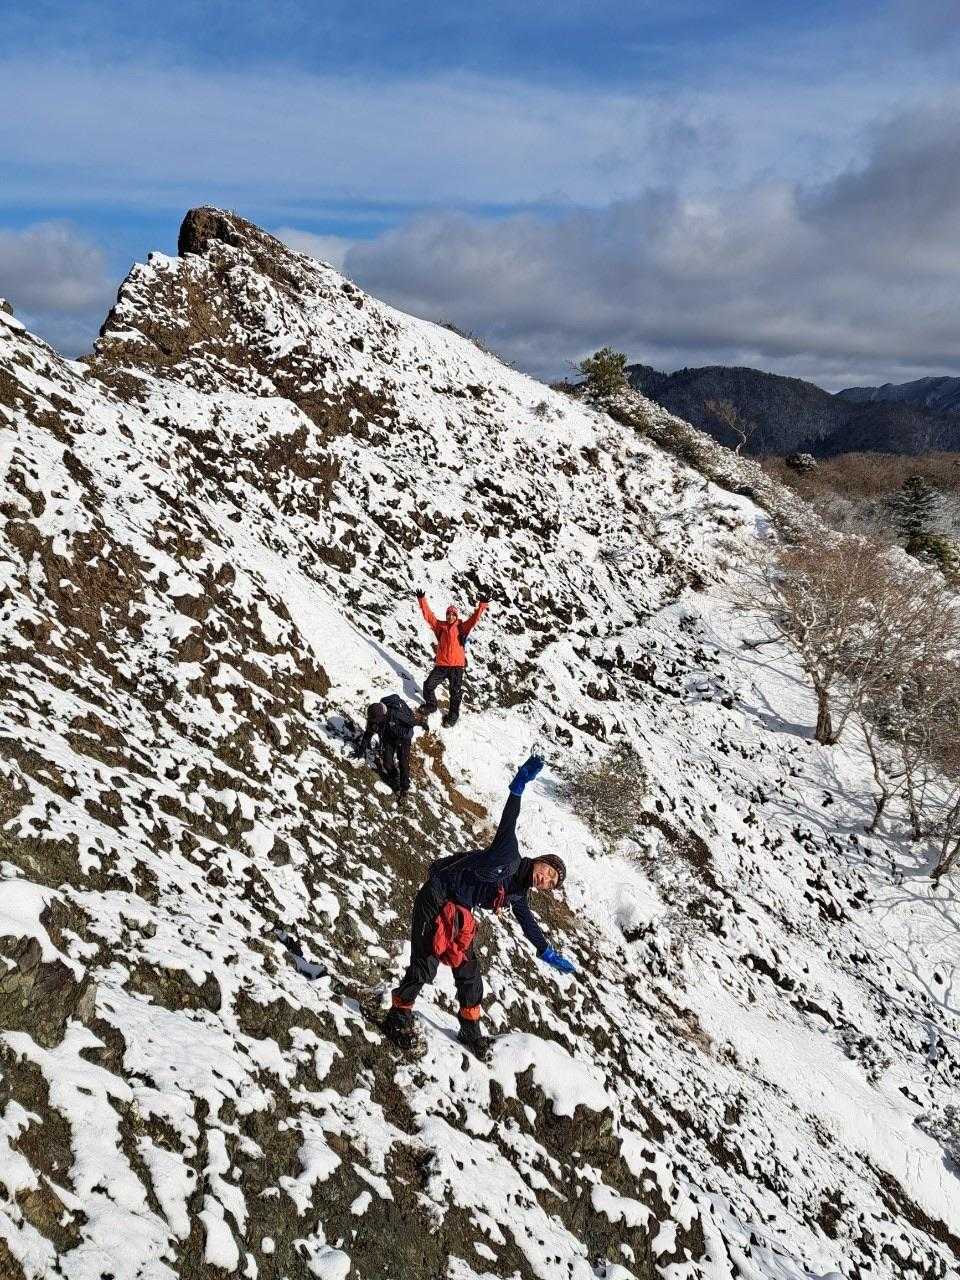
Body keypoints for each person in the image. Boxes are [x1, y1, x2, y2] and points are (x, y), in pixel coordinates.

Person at [383, 754, 576, 1057]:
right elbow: (509, 820)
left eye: (551, 883)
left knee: (470, 974)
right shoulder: (509, 855)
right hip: (436, 897)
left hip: (459, 914)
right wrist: (518, 787)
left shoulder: (518, 893)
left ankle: (470, 1031)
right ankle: (398, 1016)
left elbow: (528, 923)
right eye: (548, 871)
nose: (546, 879)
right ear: (540, 861)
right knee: (425, 964)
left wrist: (546, 951)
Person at [415, 589, 489, 727]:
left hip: (456, 667)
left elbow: (474, 620)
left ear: (456, 616)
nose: (450, 616)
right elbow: (429, 616)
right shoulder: (440, 626)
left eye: (453, 614)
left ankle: (452, 717)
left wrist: (482, 605)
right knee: (428, 685)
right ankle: (431, 705)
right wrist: (421, 600)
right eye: (448, 614)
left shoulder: (462, 627)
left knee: (455, 693)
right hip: (441, 666)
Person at [353, 693, 417, 795]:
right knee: (387, 762)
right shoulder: (374, 717)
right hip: (388, 737)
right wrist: (360, 752)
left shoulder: (396, 715)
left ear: (383, 716)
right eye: (373, 721)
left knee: (403, 761)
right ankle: (394, 778)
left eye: (377, 721)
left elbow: (411, 724)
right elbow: (367, 735)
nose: (375, 723)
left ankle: (405, 787)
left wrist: (400, 735)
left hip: (403, 737)